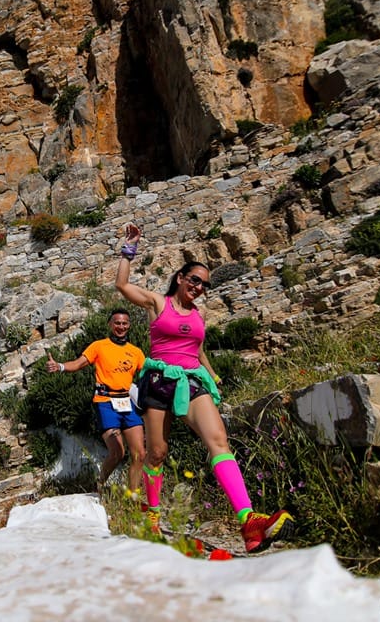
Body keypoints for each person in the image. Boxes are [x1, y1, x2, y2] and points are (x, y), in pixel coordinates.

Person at [115, 223, 294, 552]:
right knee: (157, 452)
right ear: (180, 278)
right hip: (159, 381)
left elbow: (197, 350)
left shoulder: (199, 316)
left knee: (218, 440)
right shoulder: (157, 303)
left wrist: (213, 376)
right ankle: (150, 514)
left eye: (204, 284)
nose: (199, 287)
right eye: (194, 280)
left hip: (192, 381)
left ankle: (248, 522)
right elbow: (122, 285)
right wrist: (129, 249)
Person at [46, 308, 146, 494]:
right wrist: (59, 366)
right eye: (117, 323)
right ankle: (100, 484)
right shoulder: (99, 346)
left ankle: (133, 497)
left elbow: (147, 372)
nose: (121, 327)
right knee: (117, 452)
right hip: (106, 402)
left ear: (129, 325)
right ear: (110, 324)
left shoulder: (136, 352)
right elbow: (78, 363)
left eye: (124, 323)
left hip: (127, 403)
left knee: (140, 454)